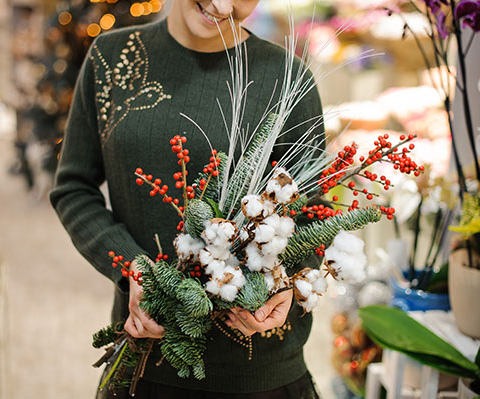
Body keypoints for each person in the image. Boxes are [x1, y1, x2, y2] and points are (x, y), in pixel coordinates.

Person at [50, 1, 324, 397]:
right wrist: (133, 269)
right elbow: (74, 188)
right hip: (145, 358)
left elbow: (313, 214)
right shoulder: (111, 58)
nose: (222, 4)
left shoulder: (285, 78)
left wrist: (289, 286)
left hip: (257, 371)